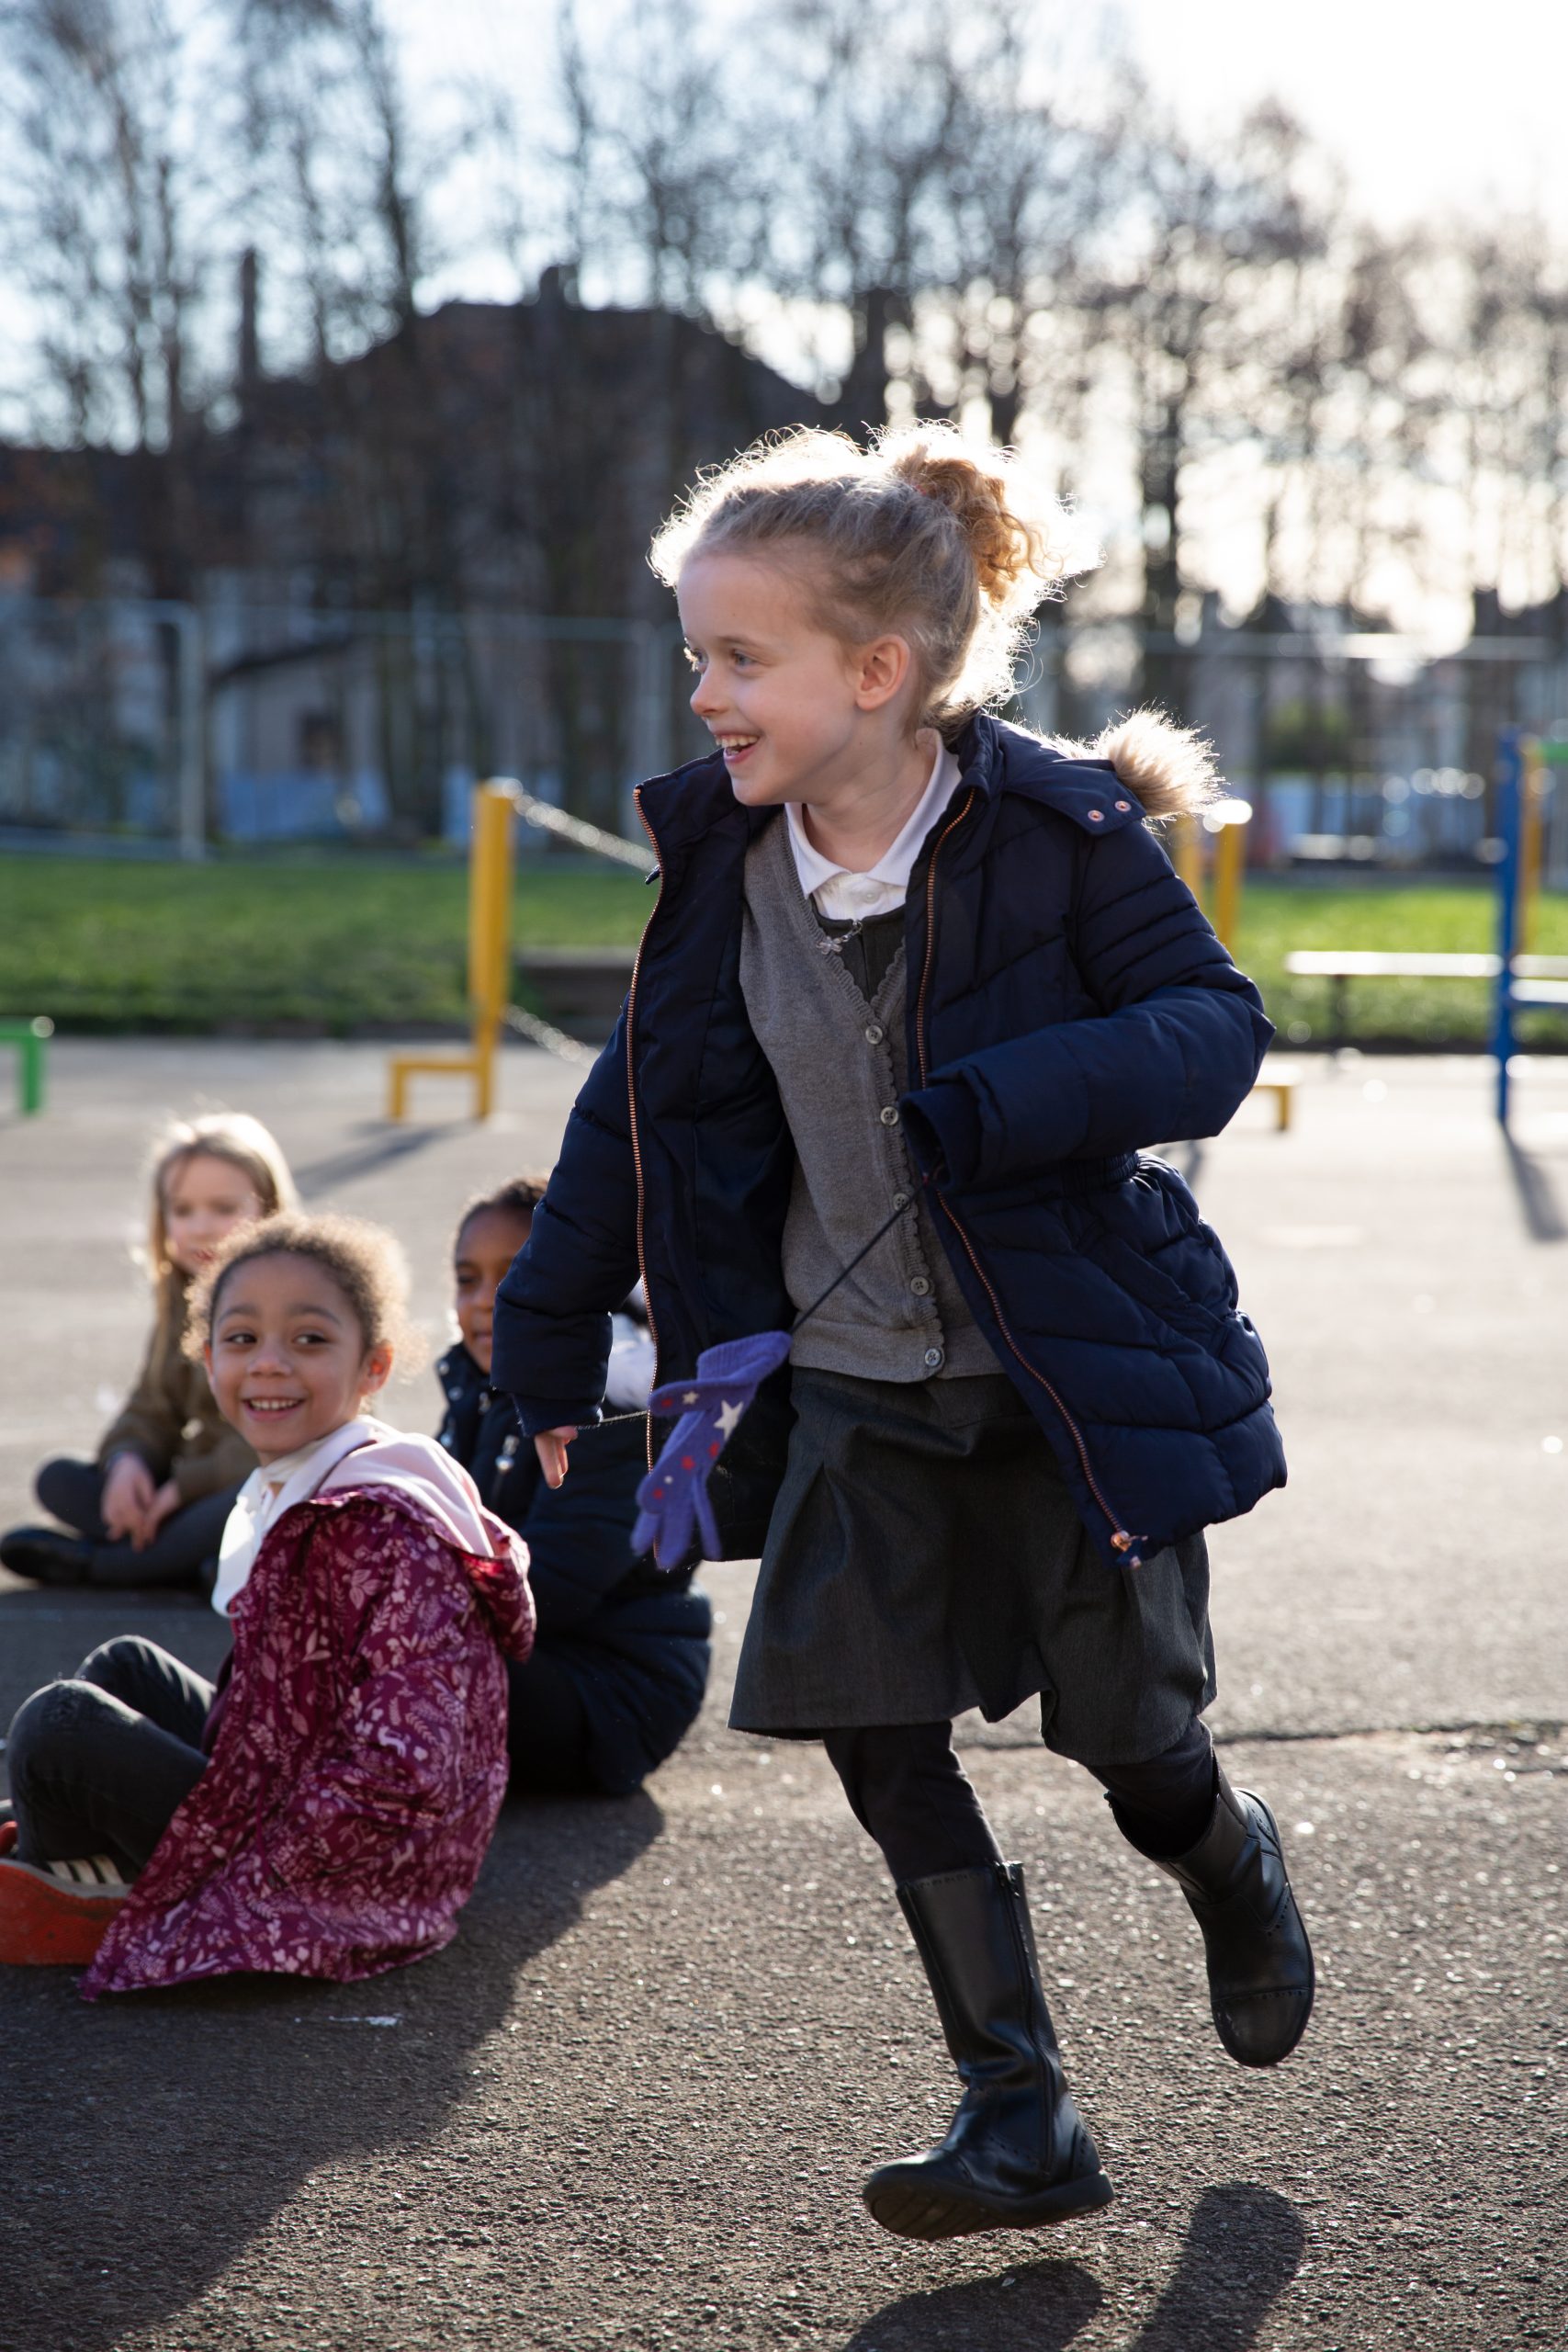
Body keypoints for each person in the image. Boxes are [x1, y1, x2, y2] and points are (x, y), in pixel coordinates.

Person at [491, 424, 1313, 2244]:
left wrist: (1012, 1093)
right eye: (691, 653)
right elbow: (638, 1109)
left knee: (1129, 1738)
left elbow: (1209, 1027)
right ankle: (1018, 2105)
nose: (699, 693)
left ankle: (1227, 1856)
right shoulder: (716, 860)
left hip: (1055, 1379)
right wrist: (544, 1337)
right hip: (849, 1388)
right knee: (865, 1716)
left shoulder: (1060, 830)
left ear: (876, 672)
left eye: (735, 657)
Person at [0, 1211, 534, 1987]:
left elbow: (408, 1763)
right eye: (242, 1339)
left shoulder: (376, 1521)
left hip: (347, 1867)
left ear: (374, 1367)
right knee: (125, 1665)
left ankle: (72, 1879)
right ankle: (75, 1855)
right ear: (208, 1357)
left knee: (58, 1724)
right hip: (303, 1793)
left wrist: (258, 1863)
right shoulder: (316, 1478)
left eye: (310, 1340)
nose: (270, 1365)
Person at [438, 1177, 710, 1797]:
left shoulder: (612, 1406)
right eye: (466, 1279)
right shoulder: (476, 1383)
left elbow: (550, 1588)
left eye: (513, 1276)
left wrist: (399, 1608)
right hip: (519, 1653)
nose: (483, 1300)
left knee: (401, 1657)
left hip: (605, 1691)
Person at [1, 1112, 296, 1594]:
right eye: (183, 1211)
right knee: (58, 1479)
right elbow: (151, 1407)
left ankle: (104, 1566)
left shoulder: (292, 1303)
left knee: (243, 1508)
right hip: (191, 1484)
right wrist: (128, 1463)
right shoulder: (183, 1299)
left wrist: (183, 1488)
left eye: (223, 1208)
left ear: (269, 1211)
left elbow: (282, 1442)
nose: (201, 1228)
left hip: (267, 1480)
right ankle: (197, 1564)